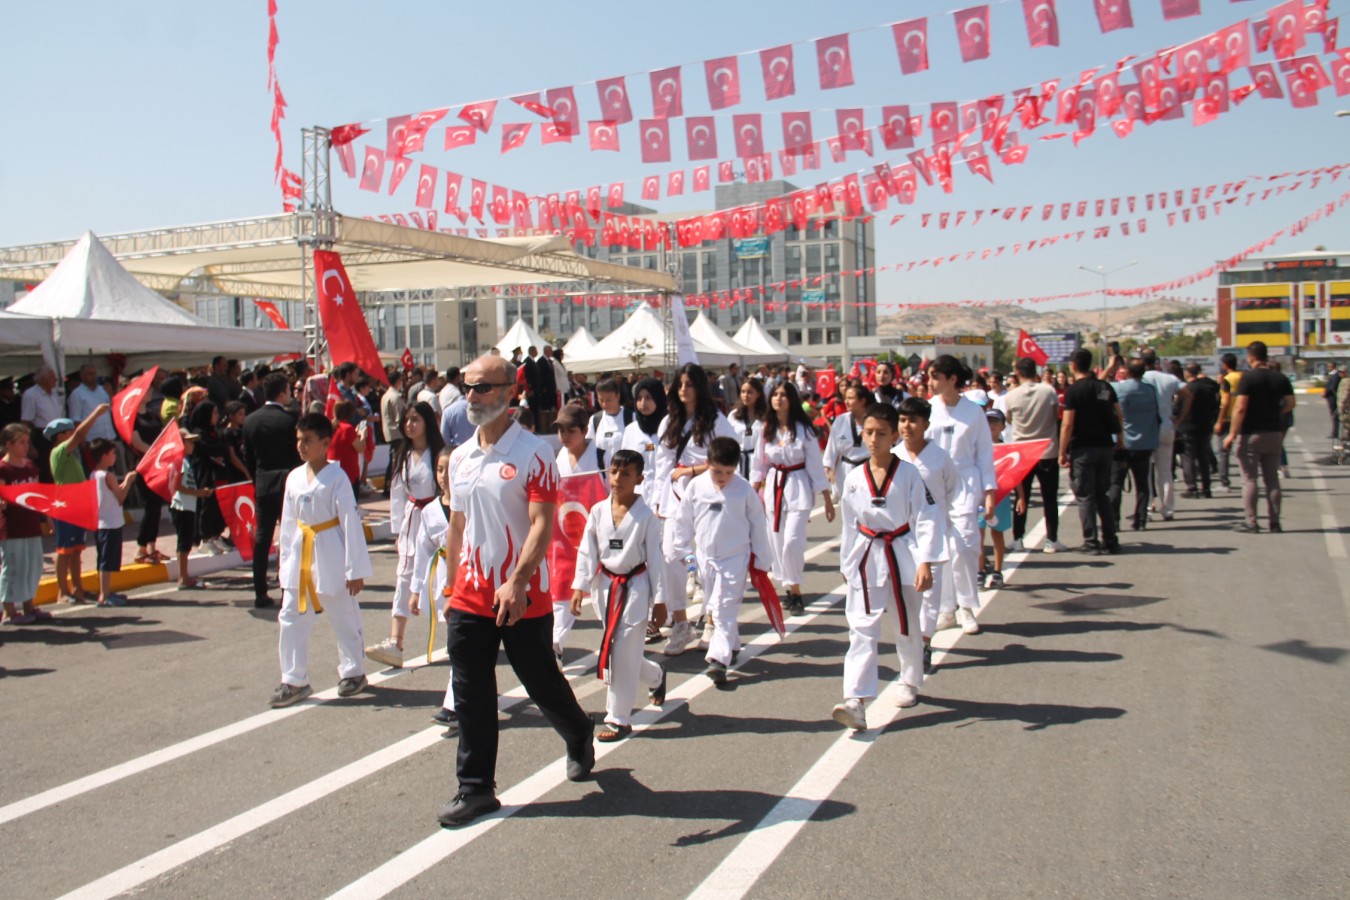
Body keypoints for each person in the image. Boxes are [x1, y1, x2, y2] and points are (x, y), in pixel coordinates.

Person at [437, 353, 595, 828]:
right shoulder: (462, 456)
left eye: (482, 388)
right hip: (471, 593)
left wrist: (519, 580)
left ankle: (578, 731)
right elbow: (458, 526)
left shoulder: (534, 453)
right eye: (468, 387)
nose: (472, 396)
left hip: (522, 593)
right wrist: (450, 586)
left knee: (539, 679)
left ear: (510, 393)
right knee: (471, 692)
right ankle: (476, 788)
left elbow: (542, 523)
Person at [831, 402, 943, 730]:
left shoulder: (910, 475)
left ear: (895, 436)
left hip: (903, 554)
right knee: (861, 628)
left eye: (882, 433)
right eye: (868, 433)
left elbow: (927, 518)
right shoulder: (853, 478)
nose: (874, 439)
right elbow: (849, 525)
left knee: (906, 624)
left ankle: (909, 679)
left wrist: (925, 561)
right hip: (867, 556)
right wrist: (847, 563)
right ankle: (856, 700)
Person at [270, 413, 372, 708]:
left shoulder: (337, 477)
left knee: (343, 613)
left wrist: (355, 569)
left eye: (308, 441)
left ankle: (353, 671)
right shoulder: (293, 477)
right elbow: (288, 525)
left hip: (331, 552)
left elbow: (351, 523)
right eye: (299, 440)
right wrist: (285, 567)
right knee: (291, 616)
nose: (301, 446)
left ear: (326, 443)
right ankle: (293, 679)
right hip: (301, 554)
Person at [570, 449, 667, 742]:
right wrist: (579, 586)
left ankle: (618, 719)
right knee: (624, 653)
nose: (618, 478)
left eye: (626, 473)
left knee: (621, 653)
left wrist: (661, 601)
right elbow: (588, 551)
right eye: (614, 471)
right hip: (605, 588)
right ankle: (656, 676)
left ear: (639, 478)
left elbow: (656, 560)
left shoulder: (646, 517)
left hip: (635, 589)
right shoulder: (598, 511)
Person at [670, 436, 773, 686]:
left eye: (728, 472)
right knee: (713, 604)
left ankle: (719, 660)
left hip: (734, 558)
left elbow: (758, 526)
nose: (722, 477)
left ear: (736, 468)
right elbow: (684, 519)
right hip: (705, 558)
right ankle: (732, 645)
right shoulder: (696, 487)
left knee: (722, 608)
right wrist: (682, 549)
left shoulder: (744, 490)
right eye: (717, 470)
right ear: (708, 463)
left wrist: (762, 559)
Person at [652, 364, 738, 656]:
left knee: (710, 559)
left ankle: (712, 620)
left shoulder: (717, 421)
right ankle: (680, 623)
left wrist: (694, 469)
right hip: (674, 498)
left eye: (689, 384)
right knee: (670, 556)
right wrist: (656, 500)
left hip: (709, 495)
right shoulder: (668, 422)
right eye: (680, 385)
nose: (683, 390)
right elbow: (661, 466)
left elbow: (729, 457)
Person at [368, 402, 444, 668]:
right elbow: (397, 494)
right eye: (407, 420)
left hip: (437, 521)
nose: (410, 425)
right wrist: (397, 531)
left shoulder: (439, 454)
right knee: (404, 578)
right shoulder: (403, 454)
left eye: (416, 420)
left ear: (427, 423)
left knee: (444, 580)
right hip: (412, 522)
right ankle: (395, 642)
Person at [924, 356, 996, 636]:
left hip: (965, 483)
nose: (929, 383)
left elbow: (985, 455)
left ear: (952, 379)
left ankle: (966, 605)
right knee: (939, 548)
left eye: (935, 377)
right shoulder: (928, 410)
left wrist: (989, 492)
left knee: (965, 545)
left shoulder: (973, 412)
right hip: (933, 484)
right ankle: (946, 609)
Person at [751, 380, 834, 614]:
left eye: (784, 395)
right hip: (774, 486)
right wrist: (751, 493)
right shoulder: (766, 428)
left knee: (792, 541)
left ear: (792, 400)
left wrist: (827, 498)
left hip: (798, 486)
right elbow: (759, 463)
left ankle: (795, 588)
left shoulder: (803, 430)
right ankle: (790, 588)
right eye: (775, 395)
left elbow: (815, 466)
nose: (779, 399)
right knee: (776, 541)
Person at [894, 397, 955, 674]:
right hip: (902, 536)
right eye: (903, 420)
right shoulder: (894, 455)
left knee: (930, 594)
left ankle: (926, 642)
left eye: (913, 420)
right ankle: (911, 643)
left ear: (926, 424)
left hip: (932, 534)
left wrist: (940, 520)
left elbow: (952, 490)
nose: (907, 426)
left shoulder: (940, 458)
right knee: (907, 594)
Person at [551, 402, 607, 658]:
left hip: (599, 538)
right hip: (565, 538)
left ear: (585, 430)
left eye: (570, 431)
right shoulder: (558, 459)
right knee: (561, 592)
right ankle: (555, 645)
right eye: (560, 431)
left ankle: (618, 644)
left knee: (602, 596)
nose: (564, 437)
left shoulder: (601, 456)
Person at [242, 373, 301, 609]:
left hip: (264, 482)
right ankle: (289, 588)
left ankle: (260, 592)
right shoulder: (289, 420)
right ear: (281, 393)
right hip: (288, 481)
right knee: (289, 538)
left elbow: (248, 457)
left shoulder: (250, 421)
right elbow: (298, 455)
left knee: (262, 539)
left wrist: (257, 477)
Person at [1224, 341, 1295, 533]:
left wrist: (1232, 434)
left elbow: (1240, 408)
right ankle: (1275, 521)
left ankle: (1252, 522)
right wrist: (1277, 413)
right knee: (1272, 479)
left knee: (1249, 479)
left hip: (1251, 434)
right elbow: (1290, 403)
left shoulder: (1248, 378)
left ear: (1251, 357)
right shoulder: (1280, 378)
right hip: (1274, 433)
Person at [1060, 349, 1125, 554]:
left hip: (1083, 449)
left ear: (1072, 365)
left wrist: (1062, 451)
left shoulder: (1074, 391)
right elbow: (1118, 414)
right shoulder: (1104, 387)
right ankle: (1111, 539)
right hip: (1106, 446)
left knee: (1085, 496)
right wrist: (1120, 440)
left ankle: (1091, 541)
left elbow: (1068, 424)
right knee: (1101, 494)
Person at [412, 447, 458, 730]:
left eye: (449, 469)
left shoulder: (470, 504)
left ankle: (453, 705)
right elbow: (422, 552)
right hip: (443, 583)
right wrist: (417, 590)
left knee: (461, 646)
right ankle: (464, 700)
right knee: (462, 646)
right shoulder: (429, 511)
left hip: (470, 582)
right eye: (439, 470)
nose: (443, 476)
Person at [45, 405, 107, 603]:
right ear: (59, 436)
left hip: (78, 504)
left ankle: (78, 588)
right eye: (68, 433)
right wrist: (95, 414)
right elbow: (80, 435)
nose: (73, 435)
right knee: (64, 551)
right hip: (66, 505)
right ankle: (63, 591)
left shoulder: (71, 456)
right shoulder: (59, 451)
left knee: (77, 549)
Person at [1005, 357, 1064, 553]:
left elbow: (1009, 419)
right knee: (1050, 498)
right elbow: (1056, 415)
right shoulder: (1048, 391)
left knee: (1022, 498)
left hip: (1022, 452)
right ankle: (1051, 539)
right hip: (1047, 450)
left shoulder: (1012, 395)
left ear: (1018, 373)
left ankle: (1018, 538)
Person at [0, 424, 50, 624]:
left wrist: (47, 517)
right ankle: (10, 611)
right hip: (12, 528)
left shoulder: (30, 466)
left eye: (27, 442)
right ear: (9, 445)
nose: (26, 446)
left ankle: (30, 605)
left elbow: (37, 494)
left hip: (30, 524)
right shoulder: (3, 468)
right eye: (21, 442)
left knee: (32, 566)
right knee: (13, 567)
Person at [1109, 360, 1161, 533]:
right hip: (1144, 443)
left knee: (1116, 484)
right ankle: (1140, 520)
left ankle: (1114, 521)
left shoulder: (1119, 388)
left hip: (1122, 443)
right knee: (1142, 484)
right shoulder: (1150, 390)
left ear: (1127, 372)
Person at [89, 438, 139, 607]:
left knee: (104, 558)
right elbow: (120, 497)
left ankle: (106, 591)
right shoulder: (108, 476)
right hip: (110, 523)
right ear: (104, 456)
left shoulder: (93, 474)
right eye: (112, 453)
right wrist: (128, 480)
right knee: (107, 560)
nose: (115, 456)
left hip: (101, 522)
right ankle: (104, 595)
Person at [979, 409, 1023, 588]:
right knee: (978, 535)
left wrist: (1021, 497)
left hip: (1002, 496)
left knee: (997, 533)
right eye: (988, 421)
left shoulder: (1008, 448)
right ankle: (979, 571)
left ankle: (997, 572)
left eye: (996, 422)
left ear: (1003, 426)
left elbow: (1016, 474)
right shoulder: (978, 447)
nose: (991, 425)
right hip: (980, 497)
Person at [1140, 350, 1185, 522]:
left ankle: (1148, 505)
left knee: (1146, 470)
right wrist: (1179, 419)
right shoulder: (1169, 379)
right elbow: (1187, 394)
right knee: (1165, 470)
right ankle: (1167, 509)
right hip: (1166, 425)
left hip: (1146, 427)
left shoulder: (1140, 379)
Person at [169, 443, 212, 590]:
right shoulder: (180, 461)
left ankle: (184, 575)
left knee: (186, 541)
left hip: (187, 504)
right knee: (183, 542)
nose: (192, 445)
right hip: (181, 505)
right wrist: (198, 493)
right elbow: (178, 485)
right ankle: (183, 577)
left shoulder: (186, 460)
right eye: (188, 442)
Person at [823, 383, 874, 501]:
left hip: (869, 469)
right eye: (845, 398)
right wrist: (827, 469)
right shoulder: (841, 420)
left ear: (862, 401)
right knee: (848, 506)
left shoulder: (875, 420)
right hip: (846, 470)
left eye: (850, 398)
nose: (846, 401)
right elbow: (832, 448)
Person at [1178, 363, 1221, 498]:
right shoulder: (1209, 387)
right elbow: (1216, 405)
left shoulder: (1187, 388)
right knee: (1203, 456)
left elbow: (1178, 407)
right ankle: (1206, 488)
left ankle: (1192, 486)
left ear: (1188, 373)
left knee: (1188, 456)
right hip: (1205, 424)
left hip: (1188, 424)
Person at [620, 377, 667, 496]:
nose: (643, 403)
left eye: (648, 398)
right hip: (637, 494)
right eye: (639, 398)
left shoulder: (670, 427)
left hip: (666, 494)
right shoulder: (631, 430)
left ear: (658, 399)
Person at [21, 365, 63, 481]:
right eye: (52, 377)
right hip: (42, 438)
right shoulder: (31, 394)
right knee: (46, 471)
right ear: (43, 379)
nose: (55, 380)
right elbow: (26, 422)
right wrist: (30, 445)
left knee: (58, 470)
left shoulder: (53, 394)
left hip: (58, 436)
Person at [586, 378, 632, 471]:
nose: (604, 404)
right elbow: (589, 447)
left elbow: (645, 446)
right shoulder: (595, 420)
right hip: (602, 474)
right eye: (601, 400)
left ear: (618, 396)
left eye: (608, 400)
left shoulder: (631, 418)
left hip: (625, 472)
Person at [726, 377, 766, 480]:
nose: (745, 395)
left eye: (750, 392)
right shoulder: (733, 415)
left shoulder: (766, 416)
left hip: (759, 463)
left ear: (758, 394)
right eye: (743, 392)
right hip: (737, 462)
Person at [1214, 353, 1243, 491]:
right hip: (1242, 417)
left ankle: (1224, 482)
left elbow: (1225, 402)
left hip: (1227, 418)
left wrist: (1219, 421)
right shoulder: (1243, 377)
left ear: (1225, 364)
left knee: (1223, 451)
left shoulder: (1227, 379)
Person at [326, 400, 366, 492]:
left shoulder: (331, 427)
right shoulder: (347, 429)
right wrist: (363, 435)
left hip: (333, 473)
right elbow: (360, 448)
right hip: (348, 474)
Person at [381, 370, 407, 495]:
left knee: (393, 460)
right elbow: (399, 418)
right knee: (396, 461)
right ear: (398, 381)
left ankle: (387, 486)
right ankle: (390, 487)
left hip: (389, 432)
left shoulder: (386, 395)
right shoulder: (395, 397)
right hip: (397, 433)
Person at [1325, 363, 1342, 439]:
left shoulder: (1336, 375)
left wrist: (1325, 393)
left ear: (1333, 366)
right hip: (1330, 397)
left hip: (1333, 397)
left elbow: (1332, 387)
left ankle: (1335, 433)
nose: (1328, 368)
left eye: (1329, 366)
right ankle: (1334, 432)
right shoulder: (1332, 375)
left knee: (1335, 416)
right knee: (1333, 416)